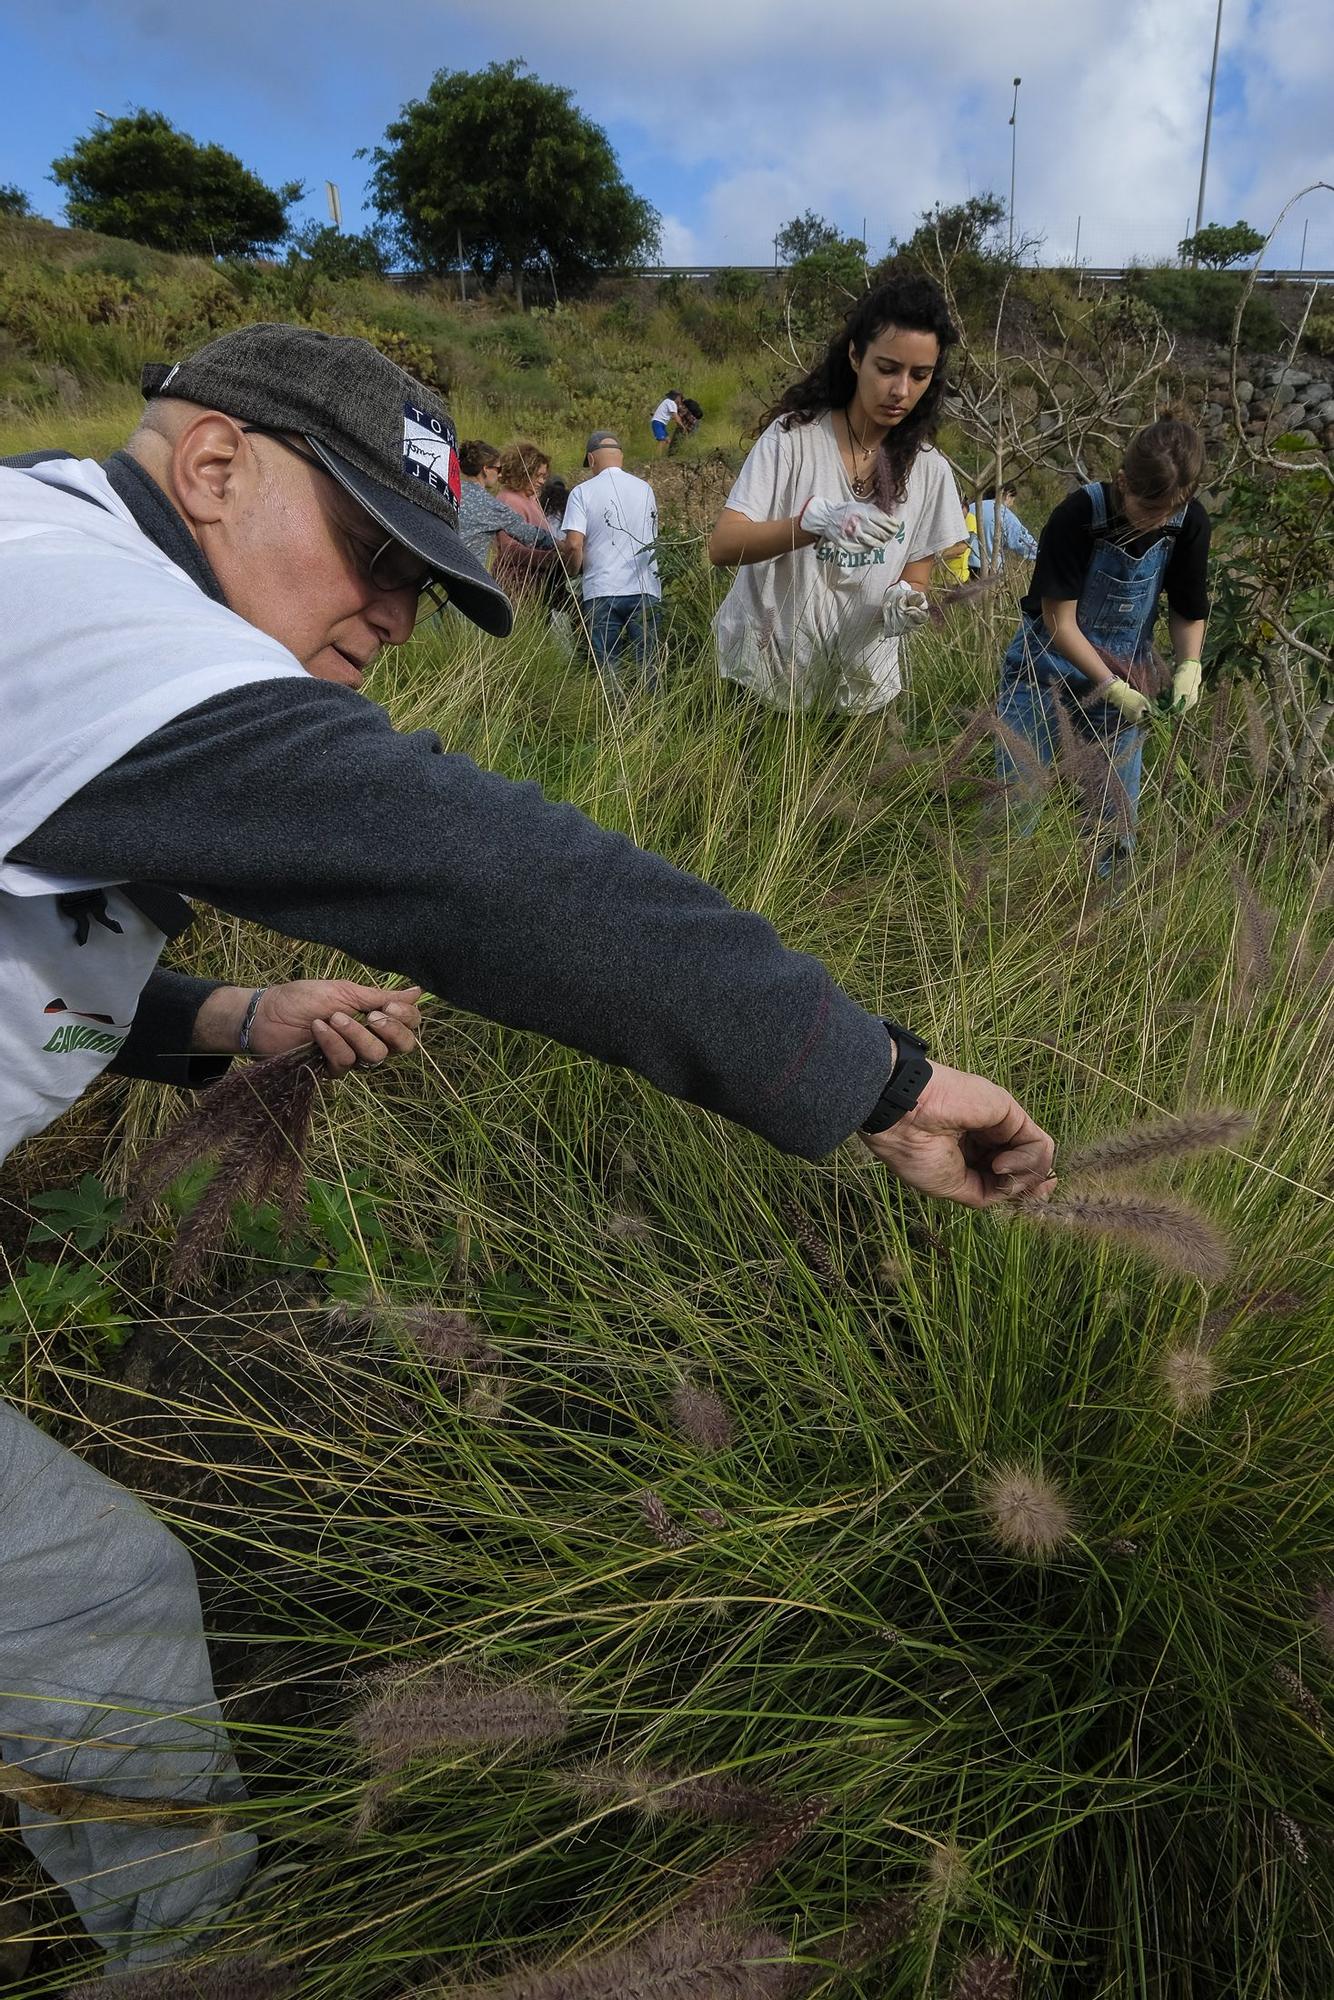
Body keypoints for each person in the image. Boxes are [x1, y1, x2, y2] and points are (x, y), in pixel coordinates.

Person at [0, 321, 1054, 1973]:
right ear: (211, 467)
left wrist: (223, 1022)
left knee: (83, 1594)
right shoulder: (88, 620)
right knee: (89, 1594)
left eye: (424, 576)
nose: (394, 613)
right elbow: (484, 874)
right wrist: (884, 1084)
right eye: (365, 547)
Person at [707, 276, 968, 716]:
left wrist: (905, 600)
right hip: (765, 682)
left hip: (860, 689)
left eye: (919, 375)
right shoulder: (793, 440)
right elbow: (724, 545)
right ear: (854, 356)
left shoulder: (930, 471)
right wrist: (812, 524)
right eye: (887, 368)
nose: (901, 390)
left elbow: (916, 575)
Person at [994, 419, 1210, 875]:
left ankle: (1101, 918)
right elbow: (1058, 621)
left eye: (1165, 512)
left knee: (1113, 826)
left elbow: (1189, 607)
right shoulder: (1078, 516)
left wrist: (1189, 664)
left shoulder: (1188, 524)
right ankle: (997, 901)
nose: (1153, 521)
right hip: (1043, 673)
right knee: (1015, 806)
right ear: (1123, 480)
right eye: (1145, 507)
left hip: (1126, 684)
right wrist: (1110, 684)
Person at [561, 431, 663, 685]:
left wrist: (572, 571)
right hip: (645, 587)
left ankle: (613, 720)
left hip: (601, 589)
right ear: (621, 458)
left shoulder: (581, 492)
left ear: (591, 459)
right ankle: (653, 717)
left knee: (608, 670)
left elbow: (574, 545)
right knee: (649, 666)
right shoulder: (645, 489)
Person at [458, 437, 556, 570]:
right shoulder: (492, 506)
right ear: (486, 469)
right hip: (467, 573)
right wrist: (560, 546)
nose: (499, 475)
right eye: (498, 469)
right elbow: (527, 534)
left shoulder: (451, 491)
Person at [492, 440, 564, 598]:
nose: (542, 481)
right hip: (517, 584)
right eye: (538, 476)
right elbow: (509, 550)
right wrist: (548, 558)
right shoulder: (508, 500)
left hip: (539, 582)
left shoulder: (530, 498)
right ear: (522, 472)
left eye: (544, 476)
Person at [969, 482, 1038, 575]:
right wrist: (1040, 553)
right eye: (1013, 500)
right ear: (1007, 495)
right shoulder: (1005, 514)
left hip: (964, 566)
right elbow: (1022, 541)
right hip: (989, 569)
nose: (1012, 504)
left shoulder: (971, 508)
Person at [651, 390, 685, 455]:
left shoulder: (667, 401)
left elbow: (672, 416)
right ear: (678, 397)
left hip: (661, 423)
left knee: (668, 440)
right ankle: (656, 457)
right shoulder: (671, 403)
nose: (681, 401)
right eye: (681, 398)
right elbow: (675, 416)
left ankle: (665, 455)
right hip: (658, 423)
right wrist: (682, 426)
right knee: (662, 440)